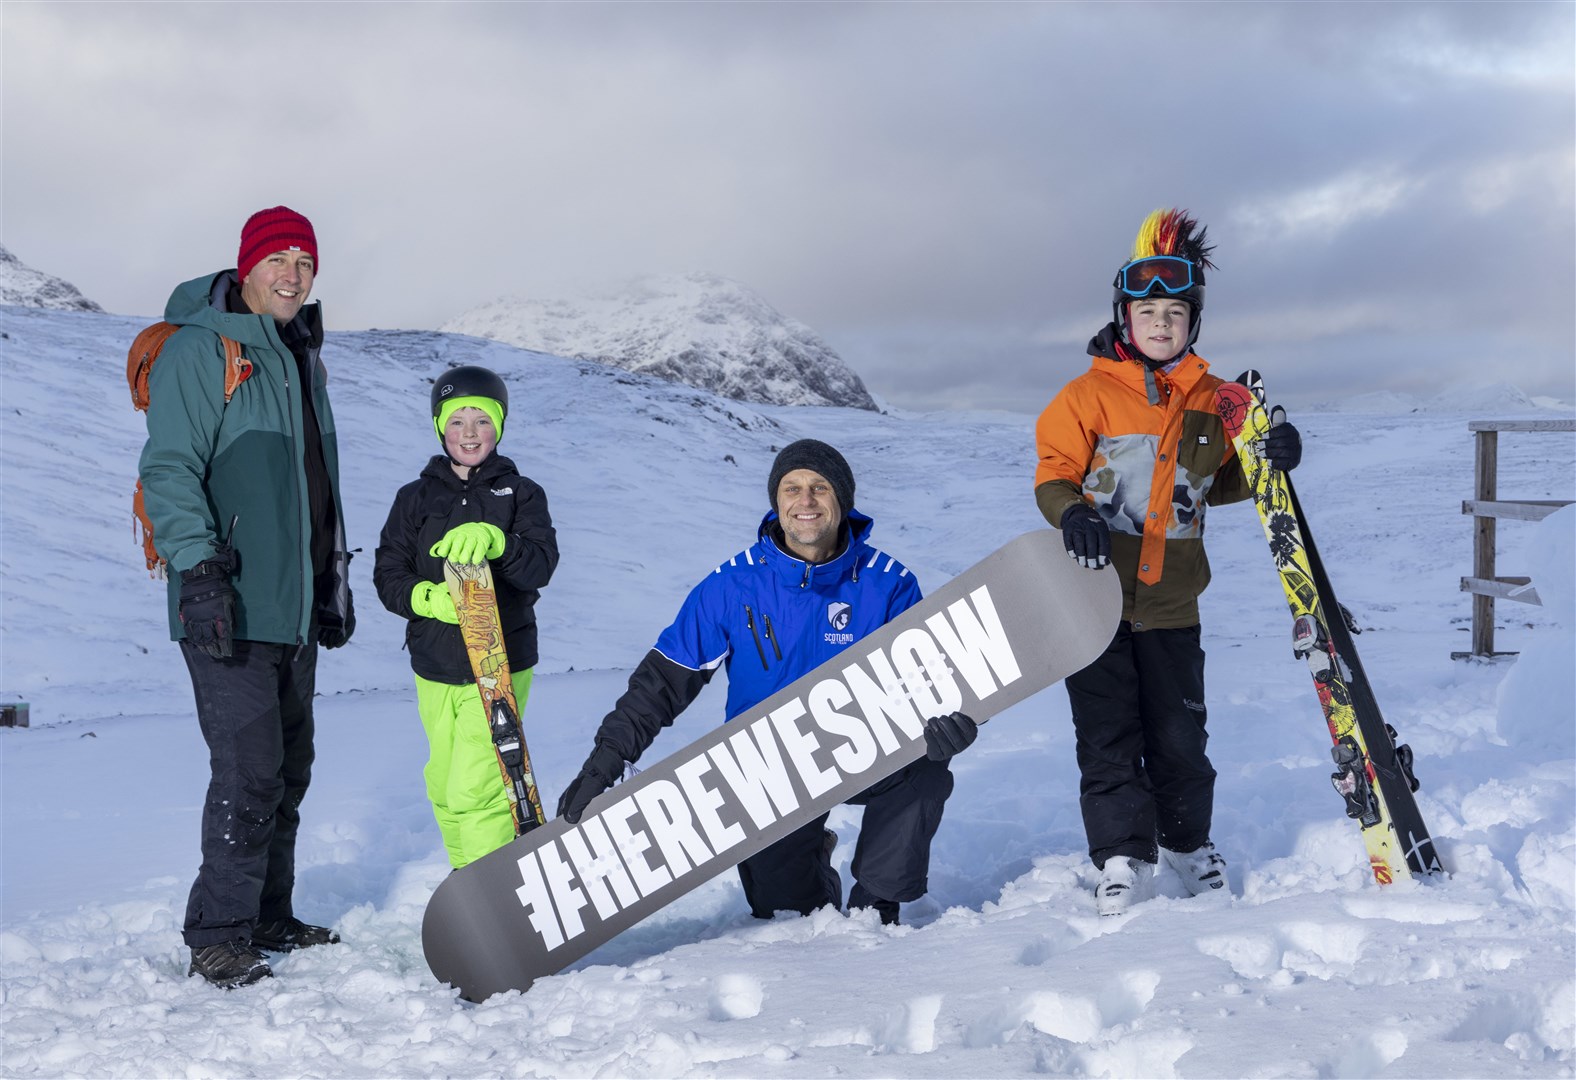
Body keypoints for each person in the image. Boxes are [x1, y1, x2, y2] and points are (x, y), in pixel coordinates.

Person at [555, 439, 978, 925]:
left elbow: (934, 680)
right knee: (785, 911)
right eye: (792, 488)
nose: (806, 501)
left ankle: (876, 899)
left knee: (924, 769)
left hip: (869, 748)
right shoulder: (731, 585)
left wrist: (957, 724)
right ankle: (810, 861)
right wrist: (606, 759)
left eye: (820, 488)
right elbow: (661, 684)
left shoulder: (889, 583)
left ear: (843, 501)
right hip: (771, 768)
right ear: (776, 502)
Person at [1033, 208, 1303, 915]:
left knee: (1182, 738)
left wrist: (1273, 456)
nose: (1160, 323)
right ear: (1124, 319)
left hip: (1173, 607)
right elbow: (1054, 474)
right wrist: (1075, 512)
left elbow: (1226, 481)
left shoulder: (1215, 402)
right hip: (1093, 605)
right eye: (1146, 310)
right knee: (1109, 739)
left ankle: (1186, 844)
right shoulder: (1084, 396)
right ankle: (1124, 855)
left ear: (1193, 323)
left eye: (1175, 313)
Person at [138, 206, 354, 988]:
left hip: (290, 607)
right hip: (224, 599)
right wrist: (197, 574)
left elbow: (314, 491)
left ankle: (268, 913)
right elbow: (169, 468)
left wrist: (329, 581)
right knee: (249, 770)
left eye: (305, 261)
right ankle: (217, 934)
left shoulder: (301, 357)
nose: (294, 274)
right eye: (279, 259)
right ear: (248, 266)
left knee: (290, 766)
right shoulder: (204, 348)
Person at [373, 365, 559, 870]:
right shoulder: (413, 498)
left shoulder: (521, 493)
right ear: (440, 427)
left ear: (499, 427)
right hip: (433, 661)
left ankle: (494, 894)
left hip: (500, 661)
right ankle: (468, 880)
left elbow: (540, 565)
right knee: (443, 782)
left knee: (477, 785)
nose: (470, 432)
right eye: (458, 421)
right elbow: (388, 573)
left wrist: (500, 543)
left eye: (482, 420)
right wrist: (426, 599)